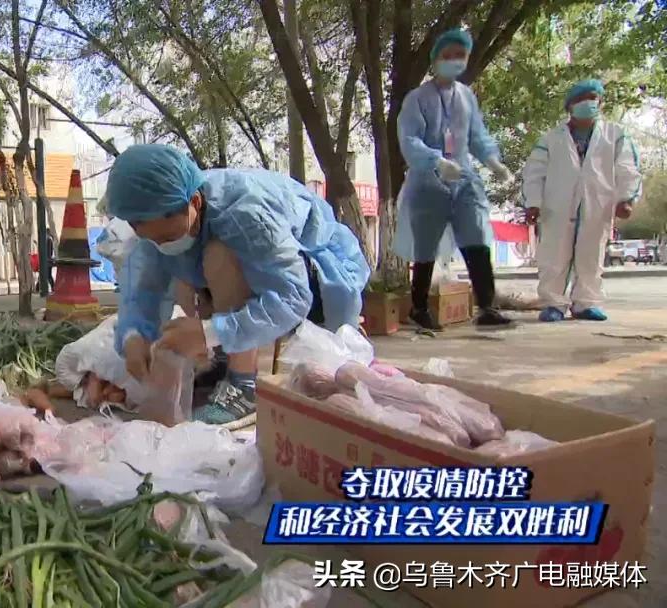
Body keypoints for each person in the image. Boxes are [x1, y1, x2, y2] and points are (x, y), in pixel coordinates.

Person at [106, 143, 370, 428]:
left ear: (194, 202)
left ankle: (243, 384)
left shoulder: (245, 213)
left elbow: (291, 296)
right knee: (176, 268)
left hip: (314, 283)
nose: (162, 244)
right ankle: (222, 362)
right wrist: (135, 337)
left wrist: (209, 332)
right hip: (262, 284)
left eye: (169, 235)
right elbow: (142, 290)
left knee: (218, 255)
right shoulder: (159, 216)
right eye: (152, 237)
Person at [395, 28, 513, 330]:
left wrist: (493, 161)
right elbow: (409, 139)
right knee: (426, 246)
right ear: (435, 59)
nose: (454, 61)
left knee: (476, 236)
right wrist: (435, 161)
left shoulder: (466, 97)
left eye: (459, 56)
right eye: (447, 56)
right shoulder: (417, 99)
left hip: (464, 178)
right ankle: (419, 308)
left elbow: (477, 135)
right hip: (428, 182)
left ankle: (487, 306)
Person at [522, 79, 642, 322]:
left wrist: (626, 199)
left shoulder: (615, 136)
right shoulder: (551, 139)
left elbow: (627, 168)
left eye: (594, 98)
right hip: (557, 206)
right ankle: (553, 303)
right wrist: (533, 202)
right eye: (583, 98)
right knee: (554, 255)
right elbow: (534, 172)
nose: (590, 103)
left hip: (598, 205)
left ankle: (586, 303)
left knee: (591, 255)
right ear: (570, 106)